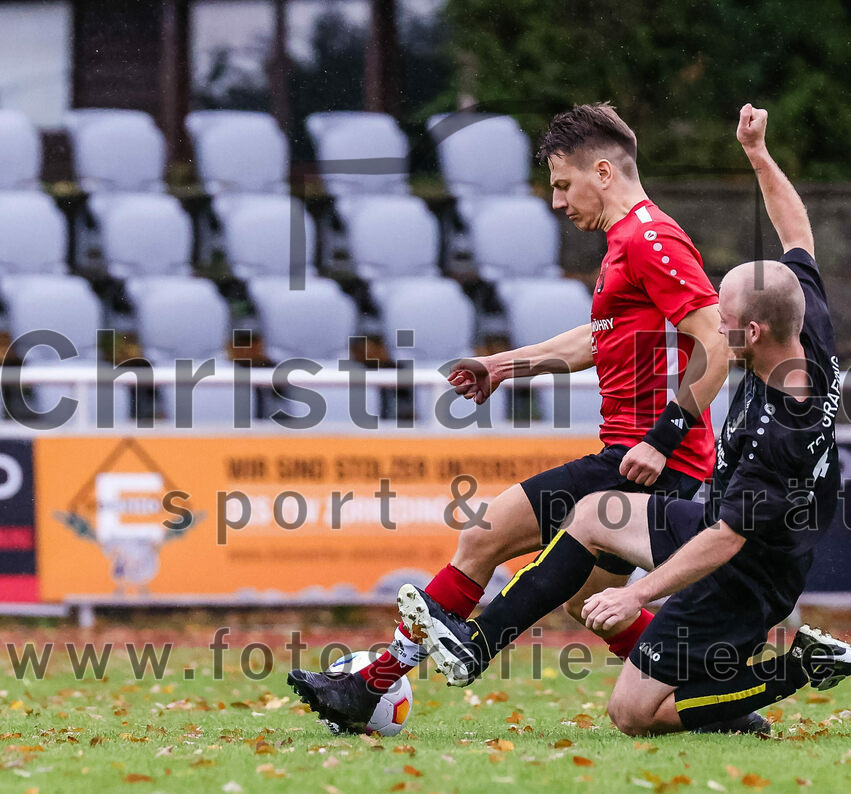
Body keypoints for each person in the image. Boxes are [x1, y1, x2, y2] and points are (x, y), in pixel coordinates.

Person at [397, 103, 851, 737]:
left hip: (747, 569)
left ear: (753, 331)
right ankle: (478, 644)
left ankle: (797, 668)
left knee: (633, 713)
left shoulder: (775, 430)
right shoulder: (805, 326)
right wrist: (758, 155)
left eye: (721, 322)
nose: (708, 332)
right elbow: (797, 237)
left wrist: (637, 594)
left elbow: (728, 541)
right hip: (714, 520)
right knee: (593, 513)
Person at [288, 103, 730, 733]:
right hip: (637, 455)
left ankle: (378, 682)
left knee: (485, 534)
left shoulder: (649, 239)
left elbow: (717, 338)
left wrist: (664, 438)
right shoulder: (627, 243)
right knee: (588, 602)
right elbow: (594, 340)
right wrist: (504, 366)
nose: (555, 202)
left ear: (602, 171)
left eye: (560, 184)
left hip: (648, 460)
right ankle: (716, 687)